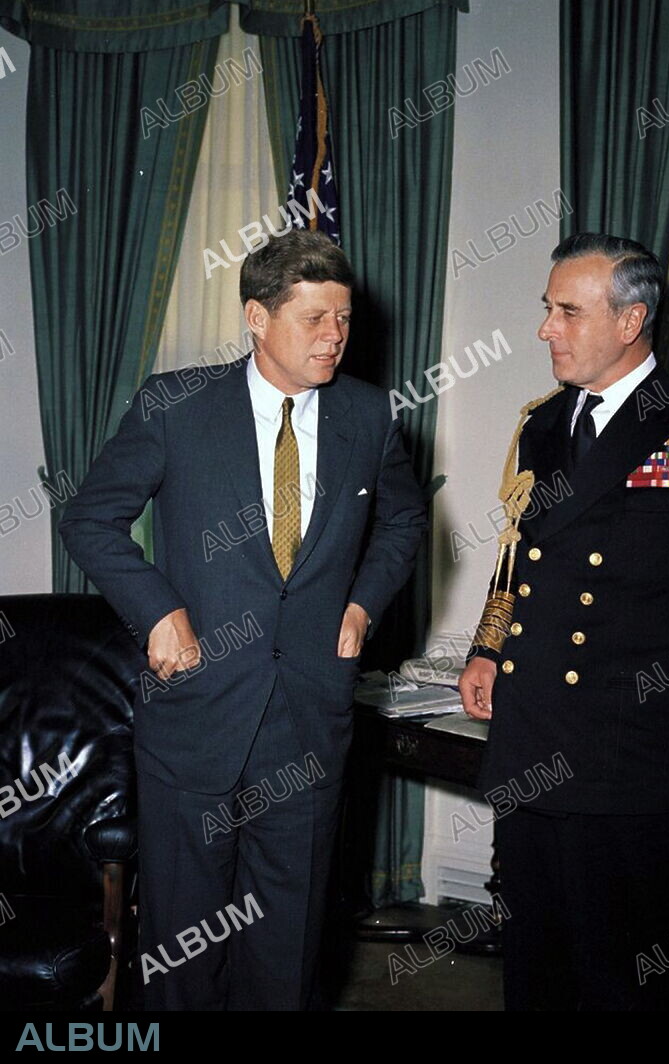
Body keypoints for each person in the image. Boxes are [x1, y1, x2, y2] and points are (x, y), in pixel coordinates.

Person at [60, 230, 427, 1010]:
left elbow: (404, 522)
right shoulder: (176, 405)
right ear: (257, 319)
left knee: (287, 943)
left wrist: (362, 606)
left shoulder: (368, 414)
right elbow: (90, 519)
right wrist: (159, 611)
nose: (335, 335)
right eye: (314, 318)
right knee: (184, 949)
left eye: (345, 318)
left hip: (308, 720)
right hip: (196, 715)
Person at [459, 232, 669, 1010]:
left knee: (623, 985)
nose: (545, 329)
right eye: (548, 310)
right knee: (535, 976)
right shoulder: (542, 425)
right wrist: (487, 646)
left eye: (567, 312)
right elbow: (516, 553)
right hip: (535, 744)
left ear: (630, 321)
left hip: (637, 758)